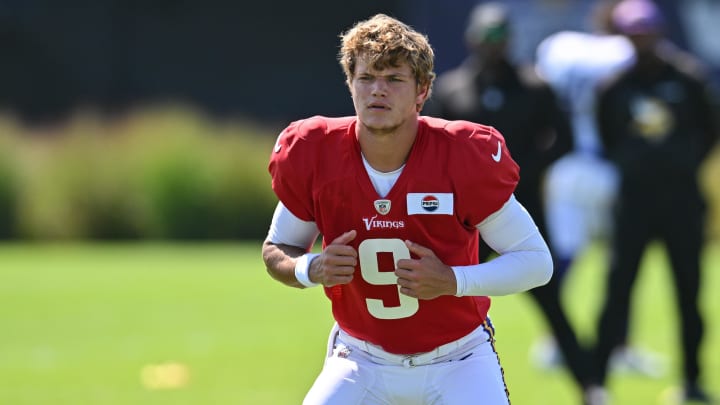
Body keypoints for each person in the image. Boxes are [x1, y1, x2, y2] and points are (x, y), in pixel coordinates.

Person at [262, 13, 553, 405]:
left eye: (394, 79)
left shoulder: (460, 154)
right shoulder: (317, 152)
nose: (377, 91)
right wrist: (310, 268)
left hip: (459, 358)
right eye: (366, 78)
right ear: (350, 83)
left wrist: (453, 280)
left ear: (423, 89)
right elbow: (277, 248)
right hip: (359, 358)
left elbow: (536, 261)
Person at [425, 2, 596, 399]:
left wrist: (519, 172)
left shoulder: (535, 86)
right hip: (467, 221)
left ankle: (591, 388)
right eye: (487, 37)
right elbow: (433, 152)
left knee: (552, 304)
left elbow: (564, 139)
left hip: (526, 213)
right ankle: (425, 382)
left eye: (500, 37)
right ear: (472, 39)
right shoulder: (454, 89)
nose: (494, 45)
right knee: (445, 298)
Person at [586, 0, 719, 403]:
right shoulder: (614, 85)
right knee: (617, 290)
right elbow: (607, 139)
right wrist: (638, 165)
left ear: (659, 32)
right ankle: (597, 380)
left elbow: (710, 132)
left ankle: (692, 379)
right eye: (634, 33)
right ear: (624, 36)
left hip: (681, 203)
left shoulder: (689, 78)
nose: (641, 40)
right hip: (634, 205)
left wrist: (677, 163)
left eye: (646, 31)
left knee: (689, 294)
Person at [535, 0, 670, 380]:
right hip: (609, 167)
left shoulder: (560, 47)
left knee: (562, 259)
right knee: (621, 261)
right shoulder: (621, 52)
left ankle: (553, 340)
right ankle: (619, 345)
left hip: (567, 167)